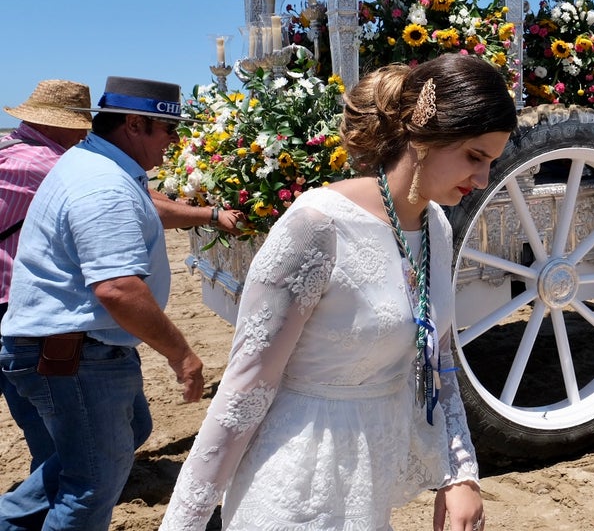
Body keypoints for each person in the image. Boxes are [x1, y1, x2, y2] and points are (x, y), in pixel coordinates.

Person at [161, 54, 518, 531]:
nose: (483, 180)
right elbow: (245, 388)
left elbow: (437, 355)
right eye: (474, 156)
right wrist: (183, 523)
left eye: (492, 161)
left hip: (367, 490)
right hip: (293, 494)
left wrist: (460, 472)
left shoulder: (435, 225)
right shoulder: (318, 224)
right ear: (422, 135)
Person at [0, 76, 207, 530]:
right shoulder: (103, 184)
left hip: (72, 345)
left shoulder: (93, 164)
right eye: (168, 129)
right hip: (74, 353)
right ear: (134, 124)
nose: (174, 141)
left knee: (128, 432)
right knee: (89, 487)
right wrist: (182, 354)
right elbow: (118, 289)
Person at [1, 79, 93, 472]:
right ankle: (48, 494)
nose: (82, 135)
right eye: (78, 127)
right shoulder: (48, 164)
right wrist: (206, 213)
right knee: (46, 416)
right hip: (15, 303)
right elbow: (117, 194)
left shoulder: (8, 150)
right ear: (54, 124)